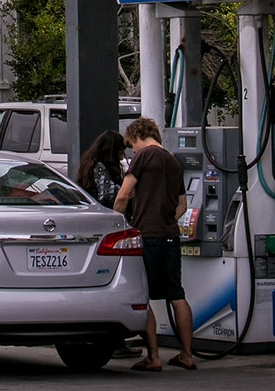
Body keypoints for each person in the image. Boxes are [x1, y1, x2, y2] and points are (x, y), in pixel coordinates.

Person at [114, 117, 196, 372]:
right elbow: (182, 205)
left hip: (146, 236)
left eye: (132, 146)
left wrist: (115, 222)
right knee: (176, 294)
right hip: (170, 236)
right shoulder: (173, 160)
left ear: (137, 136)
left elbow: (124, 194)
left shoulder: (144, 157)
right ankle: (187, 355)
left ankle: (153, 357)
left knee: (143, 294)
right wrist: (164, 219)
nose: (132, 151)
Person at [75, 130, 143, 359]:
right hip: (107, 227)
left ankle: (111, 342)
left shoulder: (88, 164)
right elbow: (108, 195)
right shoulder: (102, 167)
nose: (123, 154)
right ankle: (116, 344)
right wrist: (129, 191)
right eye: (120, 150)